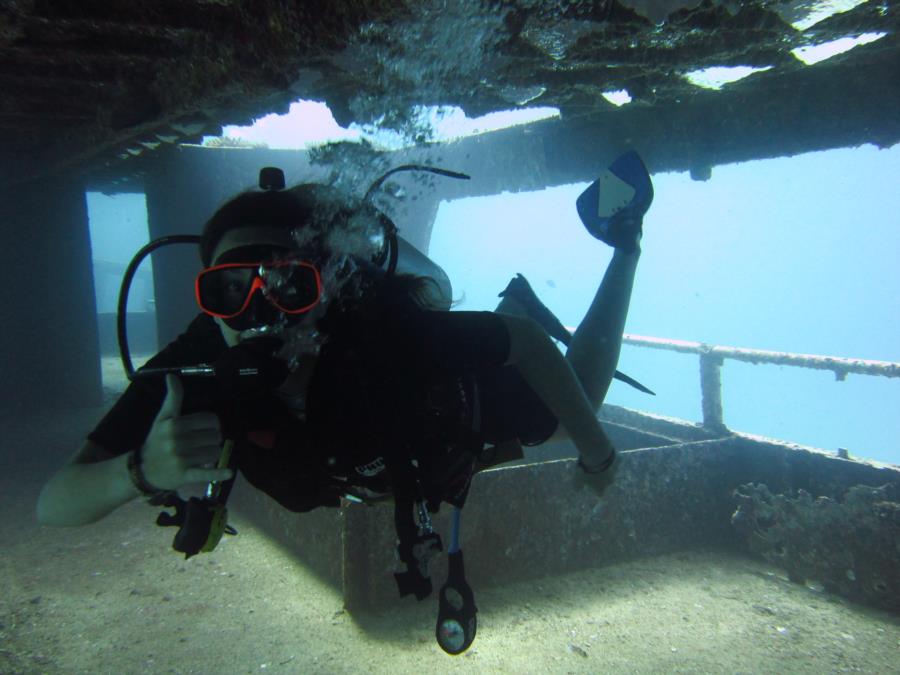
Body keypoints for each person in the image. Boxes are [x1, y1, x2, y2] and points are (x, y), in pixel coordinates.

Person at [37, 156, 650, 555]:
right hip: (350, 470)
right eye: (230, 290)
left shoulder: (379, 330)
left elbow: (528, 345)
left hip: (441, 419)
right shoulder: (197, 363)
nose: (260, 314)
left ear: (325, 288)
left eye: (287, 285)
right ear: (209, 297)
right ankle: (519, 300)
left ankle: (625, 244)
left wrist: (599, 458)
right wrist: (139, 472)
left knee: (578, 402)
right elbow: (55, 502)